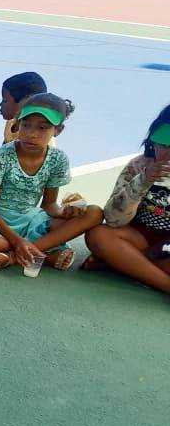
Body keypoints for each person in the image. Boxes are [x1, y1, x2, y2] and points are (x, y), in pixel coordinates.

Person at [0, 93, 103, 272]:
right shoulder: (2, 155)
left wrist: (64, 212)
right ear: (18, 124)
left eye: (42, 128)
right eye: (26, 125)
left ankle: (11, 257)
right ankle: (42, 252)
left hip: (31, 219)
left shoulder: (57, 159)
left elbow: (49, 205)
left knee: (94, 213)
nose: (32, 134)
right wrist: (18, 241)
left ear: (58, 130)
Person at [84, 107, 170, 296]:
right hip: (137, 236)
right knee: (98, 236)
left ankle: (124, 264)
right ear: (153, 142)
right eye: (164, 145)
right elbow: (113, 219)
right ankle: (163, 283)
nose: (168, 154)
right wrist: (142, 181)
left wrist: (149, 254)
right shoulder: (138, 165)